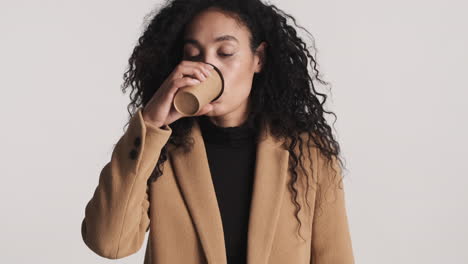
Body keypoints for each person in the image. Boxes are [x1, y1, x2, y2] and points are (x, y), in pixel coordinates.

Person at [80, 0, 355, 263]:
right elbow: (109, 243)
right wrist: (150, 122)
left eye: (225, 53)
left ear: (258, 58)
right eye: (193, 55)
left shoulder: (308, 154)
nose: (206, 67)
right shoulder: (160, 150)